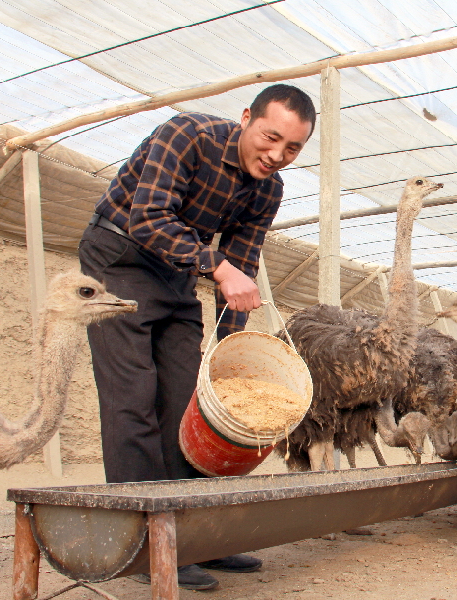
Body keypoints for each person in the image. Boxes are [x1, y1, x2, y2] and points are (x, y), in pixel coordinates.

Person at [78, 84, 315, 591]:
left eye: (292, 149)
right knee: (133, 396)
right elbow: (147, 217)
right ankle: (144, 542)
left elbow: (243, 266)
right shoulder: (189, 134)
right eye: (270, 138)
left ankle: (195, 536)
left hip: (175, 270)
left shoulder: (268, 190)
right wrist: (217, 266)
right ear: (247, 117)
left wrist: (226, 350)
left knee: (190, 397)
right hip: (118, 256)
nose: (276, 156)